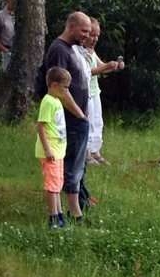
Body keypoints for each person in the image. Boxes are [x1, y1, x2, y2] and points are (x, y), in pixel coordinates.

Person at [36, 12, 92, 222]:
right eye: (84, 31)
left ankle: (79, 204)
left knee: (79, 163)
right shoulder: (59, 50)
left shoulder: (72, 49)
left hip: (77, 118)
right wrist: (79, 114)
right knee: (72, 164)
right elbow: (59, 87)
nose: (87, 35)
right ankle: (73, 211)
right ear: (71, 26)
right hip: (70, 120)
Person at [78, 16, 123, 167]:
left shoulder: (92, 51)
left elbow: (101, 66)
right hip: (85, 93)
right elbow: (88, 72)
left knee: (98, 121)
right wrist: (105, 67)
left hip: (95, 91)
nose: (95, 38)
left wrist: (114, 66)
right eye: (92, 35)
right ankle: (87, 153)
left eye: (97, 35)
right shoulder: (79, 51)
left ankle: (96, 151)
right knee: (89, 122)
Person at [36, 66, 77, 228]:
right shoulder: (47, 102)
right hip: (50, 152)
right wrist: (47, 150)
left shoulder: (56, 101)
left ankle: (59, 215)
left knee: (57, 183)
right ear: (53, 85)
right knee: (52, 185)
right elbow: (40, 126)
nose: (67, 91)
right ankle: (53, 218)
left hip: (58, 151)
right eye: (65, 87)